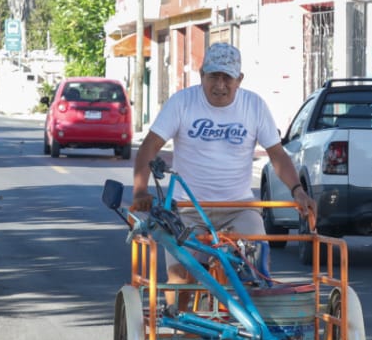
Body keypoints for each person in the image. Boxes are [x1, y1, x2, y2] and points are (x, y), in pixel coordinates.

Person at [130, 43, 312, 260]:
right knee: (181, 272)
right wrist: (140, 191)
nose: (220, 85)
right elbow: (149, 147)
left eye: (227, 78)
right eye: (213, 76)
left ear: (239, 80)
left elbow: (277, 155)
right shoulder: (181, 103)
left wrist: (298, 191)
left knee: (257, 261)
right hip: (187, 209)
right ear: (202, 75)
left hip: (238, 208)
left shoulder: (254, 106)